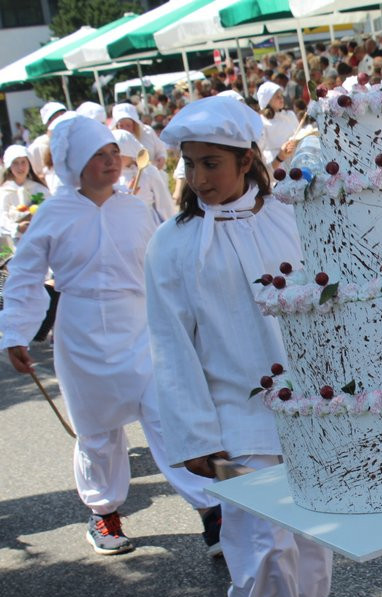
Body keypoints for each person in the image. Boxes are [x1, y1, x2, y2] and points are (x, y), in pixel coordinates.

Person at [145, 96, 339, 597]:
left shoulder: (292, 216)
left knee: (310, 553)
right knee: (262, 552)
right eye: (190, 166)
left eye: (211, 165)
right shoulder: (171, 246)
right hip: (235, 422)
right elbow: (171, 347)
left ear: (247, 159)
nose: (199, 179)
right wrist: (197, 437)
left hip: (311, 413)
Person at [0, 115, 218, 556]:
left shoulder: (135, 208)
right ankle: (104, 512)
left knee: (167, 415)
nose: (110, 162)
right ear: (74, 163)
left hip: (140, 327)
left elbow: (168, 263)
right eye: (97, 156)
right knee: (96, 431)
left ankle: (212, 512)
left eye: (112, 153)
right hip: (80, 334)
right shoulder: (53, 213)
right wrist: (14, 334)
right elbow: (24, 277)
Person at [112, 129, 174, 224]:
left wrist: (170, 223)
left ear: (130, 152)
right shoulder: (111, 174)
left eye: (121, 156)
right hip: (119, 222)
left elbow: (163, 201)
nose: (116, 160)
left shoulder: (148, 171)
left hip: (146, 221)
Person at [0, 145, 50, 249]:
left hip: (42, 241)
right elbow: (2, 219)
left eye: (23, 162)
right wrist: (17, 227)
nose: (20, 167)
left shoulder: (39, 189)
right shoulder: (4, 192)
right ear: (9, 166)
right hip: (17, 246)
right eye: (15, 163)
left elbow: (52, 211)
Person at [257, 80, 300, 173]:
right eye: (277, 97)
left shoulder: (290, 115)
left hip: (295, 159)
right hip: (276, 163)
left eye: (281, 96)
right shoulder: (261, 121)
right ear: (267, 101)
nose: (281, 99)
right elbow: (260, 148)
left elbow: (298, 133)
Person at [112, 103, 169, 169]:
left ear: (134, 123)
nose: (125, 129)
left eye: (128, 125)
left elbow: (160, 150)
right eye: (121, 126)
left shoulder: (147, 132)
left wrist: (161, 158)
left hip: (154, 173)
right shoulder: (114, 141)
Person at [27, 102, 67, 180]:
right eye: (56, 116)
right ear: (48, 122)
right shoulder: (37, 148)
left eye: (63, 114)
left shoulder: (72, 141)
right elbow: (32, 176)